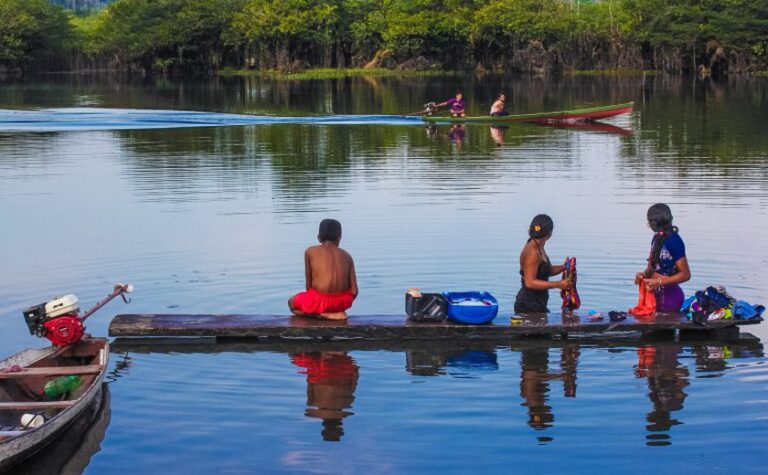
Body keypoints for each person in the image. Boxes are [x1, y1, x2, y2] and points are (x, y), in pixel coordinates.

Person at [289, 219, 358, 320]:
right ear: (340, 237)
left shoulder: (310, 251)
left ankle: (322, 315)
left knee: (291, 303)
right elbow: (354, 291)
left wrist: (316, 303)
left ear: (318, 237)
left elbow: (309, 287)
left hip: (320, 302)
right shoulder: (347, 256)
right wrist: (340, 302)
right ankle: (334, 313)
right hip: (342, 303)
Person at [634, 203, 691, 313]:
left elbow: (686, 275)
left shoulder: (674, 241)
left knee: (660, 329)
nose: (648, 225)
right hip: (654, 296)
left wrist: (659, 282)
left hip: (669, 298)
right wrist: (642, 275)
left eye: (649, 221)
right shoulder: (657, 238)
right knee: (648, 329)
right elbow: (651, 268)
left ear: (655, 223)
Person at [514, 214, 570, 314]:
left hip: (538, 303)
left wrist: (564, 267)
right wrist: (558, 284)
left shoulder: (539, 245)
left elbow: (546, 271)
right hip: (528, 305)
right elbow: (530, 282)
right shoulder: (533, 252)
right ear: (549, 233)